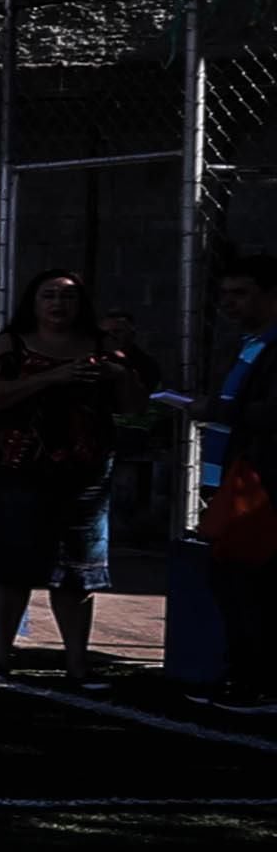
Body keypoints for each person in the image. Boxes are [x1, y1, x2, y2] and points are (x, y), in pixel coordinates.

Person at [0, 270, 145, 680]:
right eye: (48, 295)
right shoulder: (12, 343)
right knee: (10, 564)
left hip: (84, 475)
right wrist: (52, 377)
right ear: (33, 303)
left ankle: (76, 662)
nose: (58, 304)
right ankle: (0, 655)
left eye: (67, 297)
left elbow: (134, 407)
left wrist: (122, 374)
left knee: (77, 570)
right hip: (18, 469)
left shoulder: (103, 348)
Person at [186, 255, 277, 702]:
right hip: (235, 478)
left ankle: (255, 683)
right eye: (223, 295)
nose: (228, 303)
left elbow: (268, 412)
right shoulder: (248, 344)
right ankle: (241, 675)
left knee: (248, 582)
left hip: (262, 485)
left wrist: (215, 410)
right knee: (233, 580)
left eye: (240, 293)